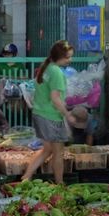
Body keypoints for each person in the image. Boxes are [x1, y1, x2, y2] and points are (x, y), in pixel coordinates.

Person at [22, 40, 77, 184]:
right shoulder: (56, 72)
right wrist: (67, 115)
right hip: (51, 117)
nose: (70, 60)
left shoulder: (45, 67)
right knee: (58, 152)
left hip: (39, 114)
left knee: (47, 150)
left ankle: (25, 177)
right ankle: (60, 184)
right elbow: (55, 99)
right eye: (68, 57)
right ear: (59, 57)